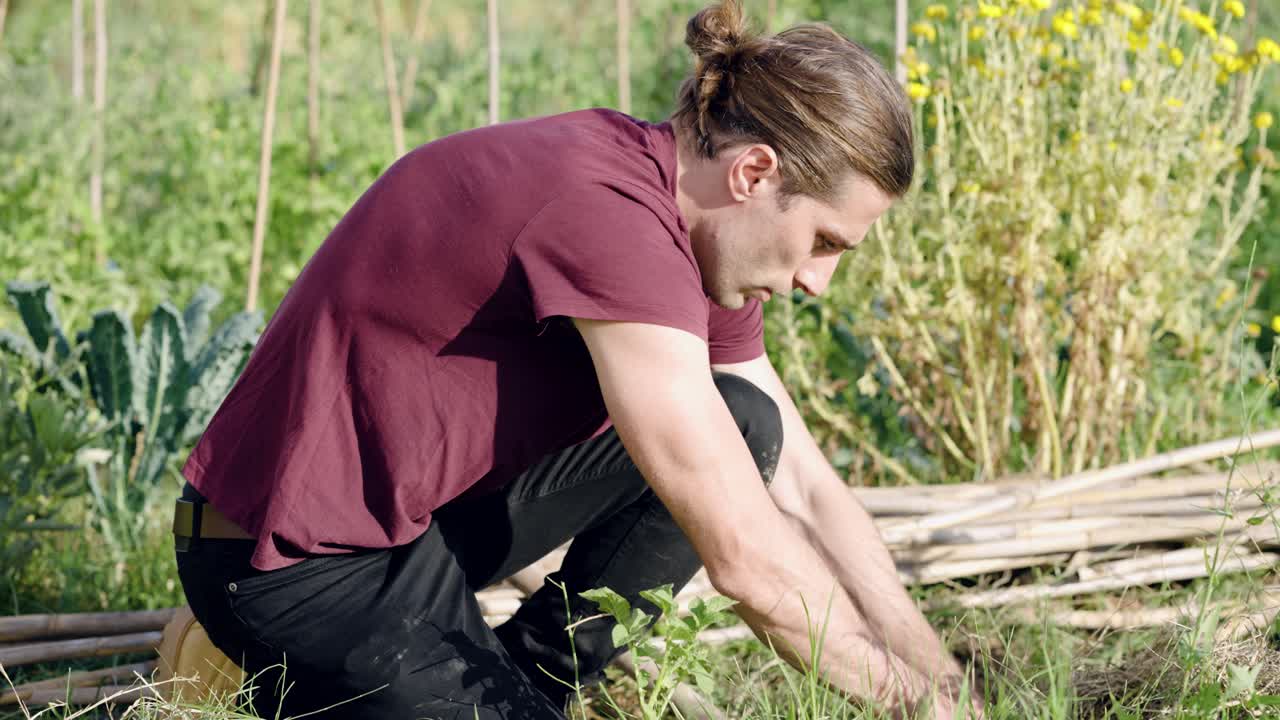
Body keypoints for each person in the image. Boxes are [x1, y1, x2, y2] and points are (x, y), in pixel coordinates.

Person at [173, 1, 981, 718]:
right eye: (824, 242)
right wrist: (903, 704)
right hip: (288, 559)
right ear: (754, 172)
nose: (817, 280)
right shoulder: (606, 216)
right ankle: (257, 656)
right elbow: (745, 558)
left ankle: (531, 687)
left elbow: (802, 484)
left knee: (747, 423)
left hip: (417, 524)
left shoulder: (690, 231)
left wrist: (939, 679)